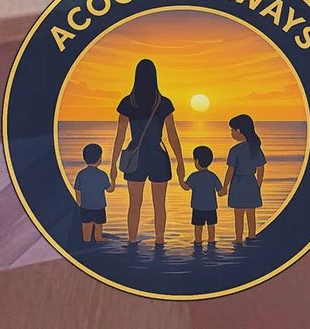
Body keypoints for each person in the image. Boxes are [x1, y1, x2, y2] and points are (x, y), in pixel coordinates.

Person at [107, 58, 185, 248]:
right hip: (158, 156)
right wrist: (180, 163)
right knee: (160, 204)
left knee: (135, 204)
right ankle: (160, 241)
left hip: (136, 156)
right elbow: (173, 136)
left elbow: (120, 137)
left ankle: (132, 241)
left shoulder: (127, 103)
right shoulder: (164, 103)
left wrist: (113, 166)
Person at [223, 115, 265, 246]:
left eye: (232, 130)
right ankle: (252, 235)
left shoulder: (235, 150)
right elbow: (261, 168)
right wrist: (258, 185)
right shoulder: (255, 148)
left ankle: (238, 238)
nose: (231, 133)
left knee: (238, 213)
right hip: (251, 182)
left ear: (239, 131)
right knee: (251, 213)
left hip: (238, 183)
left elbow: (230, 171)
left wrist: (225, 187)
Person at [73, 142, 113, 244]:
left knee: (86, 230)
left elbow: (77, 189)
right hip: (99, 207)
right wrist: (113, 179)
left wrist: (79, 203)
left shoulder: (81, 174)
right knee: (98, 229)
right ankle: (98, 238)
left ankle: (87, 240)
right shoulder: (102, 175)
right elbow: (109, 189)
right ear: (100, 158)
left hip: (85, 206)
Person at [185, 145, 221, 249]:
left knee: (198, 227)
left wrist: (180, 179)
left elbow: (186, 187)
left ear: (196, 161)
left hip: (198, 208)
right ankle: (211, 241)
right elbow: (220, 190)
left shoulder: (194, 176)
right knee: (211, 226)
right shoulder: (213, 176)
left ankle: (198, 242)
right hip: (211, 207)